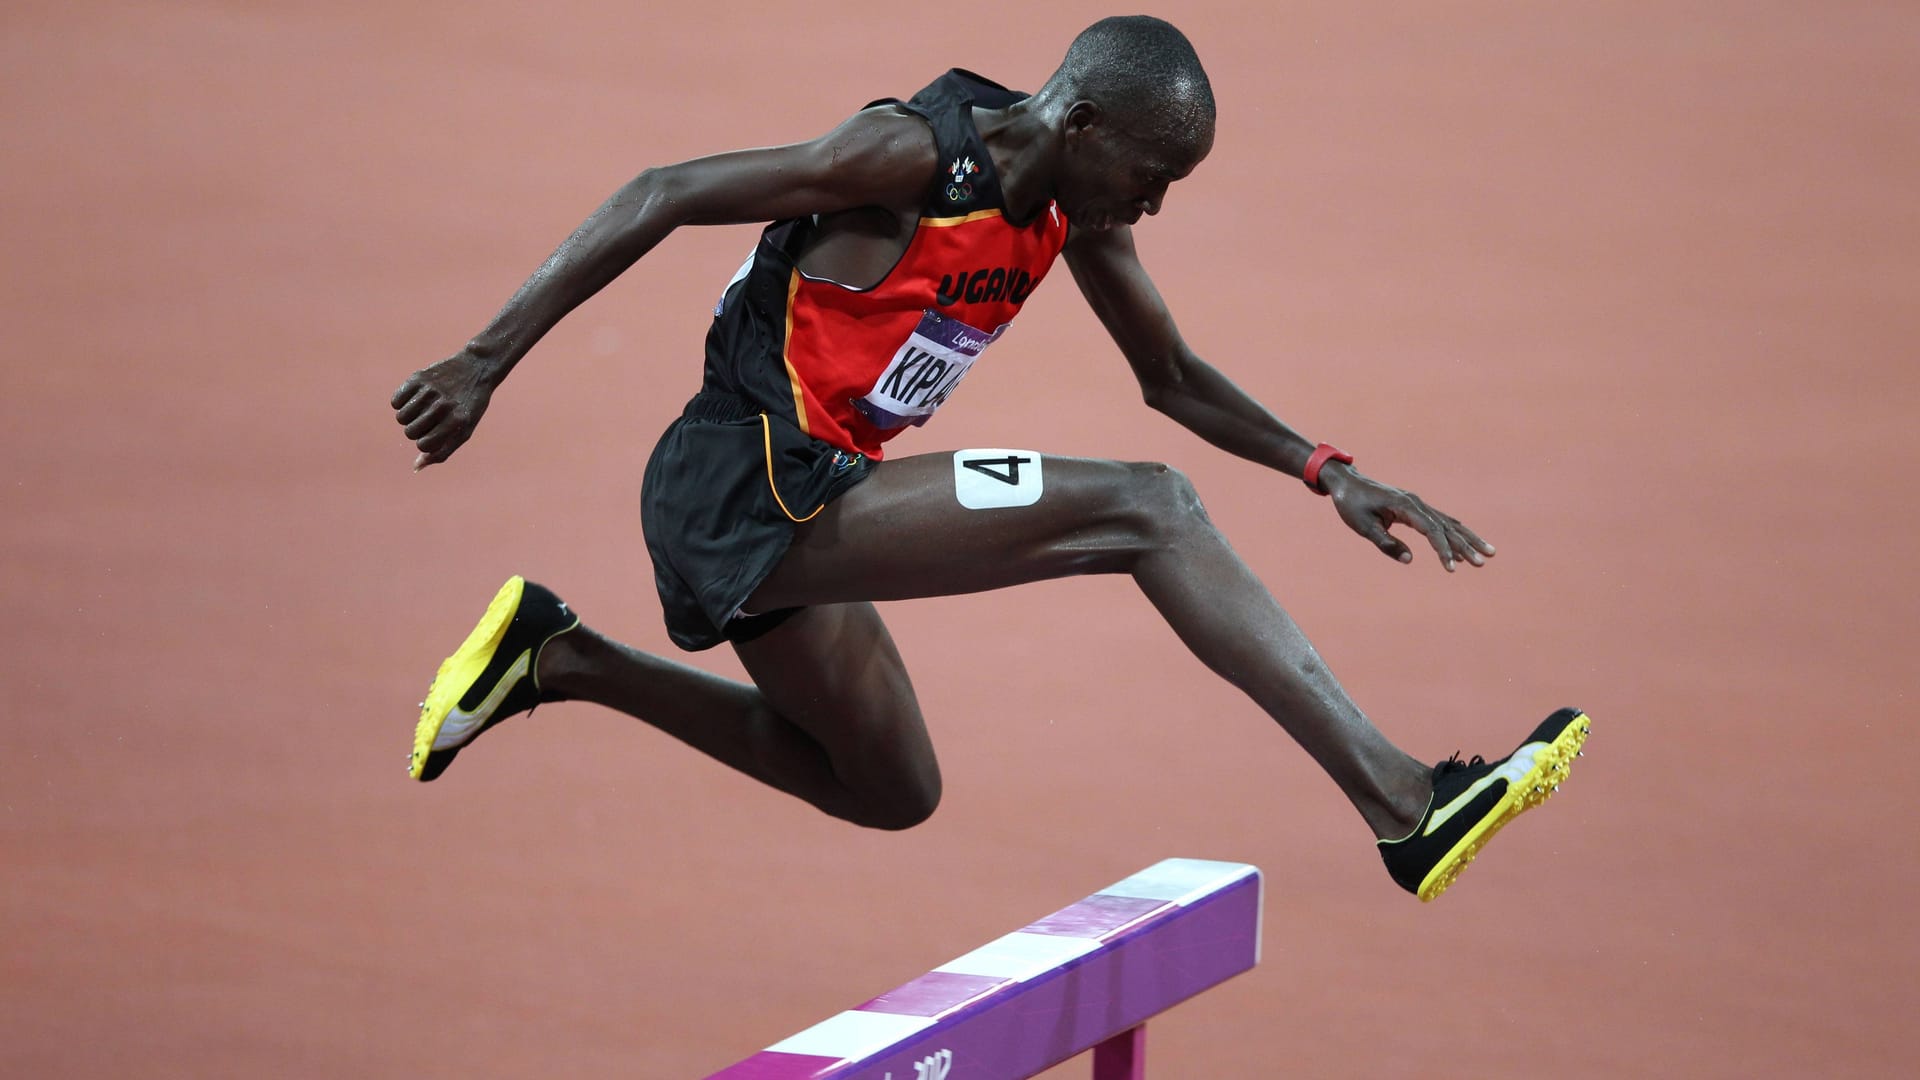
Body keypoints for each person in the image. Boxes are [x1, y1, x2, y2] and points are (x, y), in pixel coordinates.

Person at [389, 15, 1587, 902]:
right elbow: (663, 190)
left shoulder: (1076, 211)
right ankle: (1407, 804)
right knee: (1151, 511)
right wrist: (482, 361)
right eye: (1156, 176)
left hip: (818, 491)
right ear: (1083, 124)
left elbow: (1170, 378)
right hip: (739, 484)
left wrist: (1324, 466)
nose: (1157, 207)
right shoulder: (906, 157)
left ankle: (560, 657)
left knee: (890, 788)